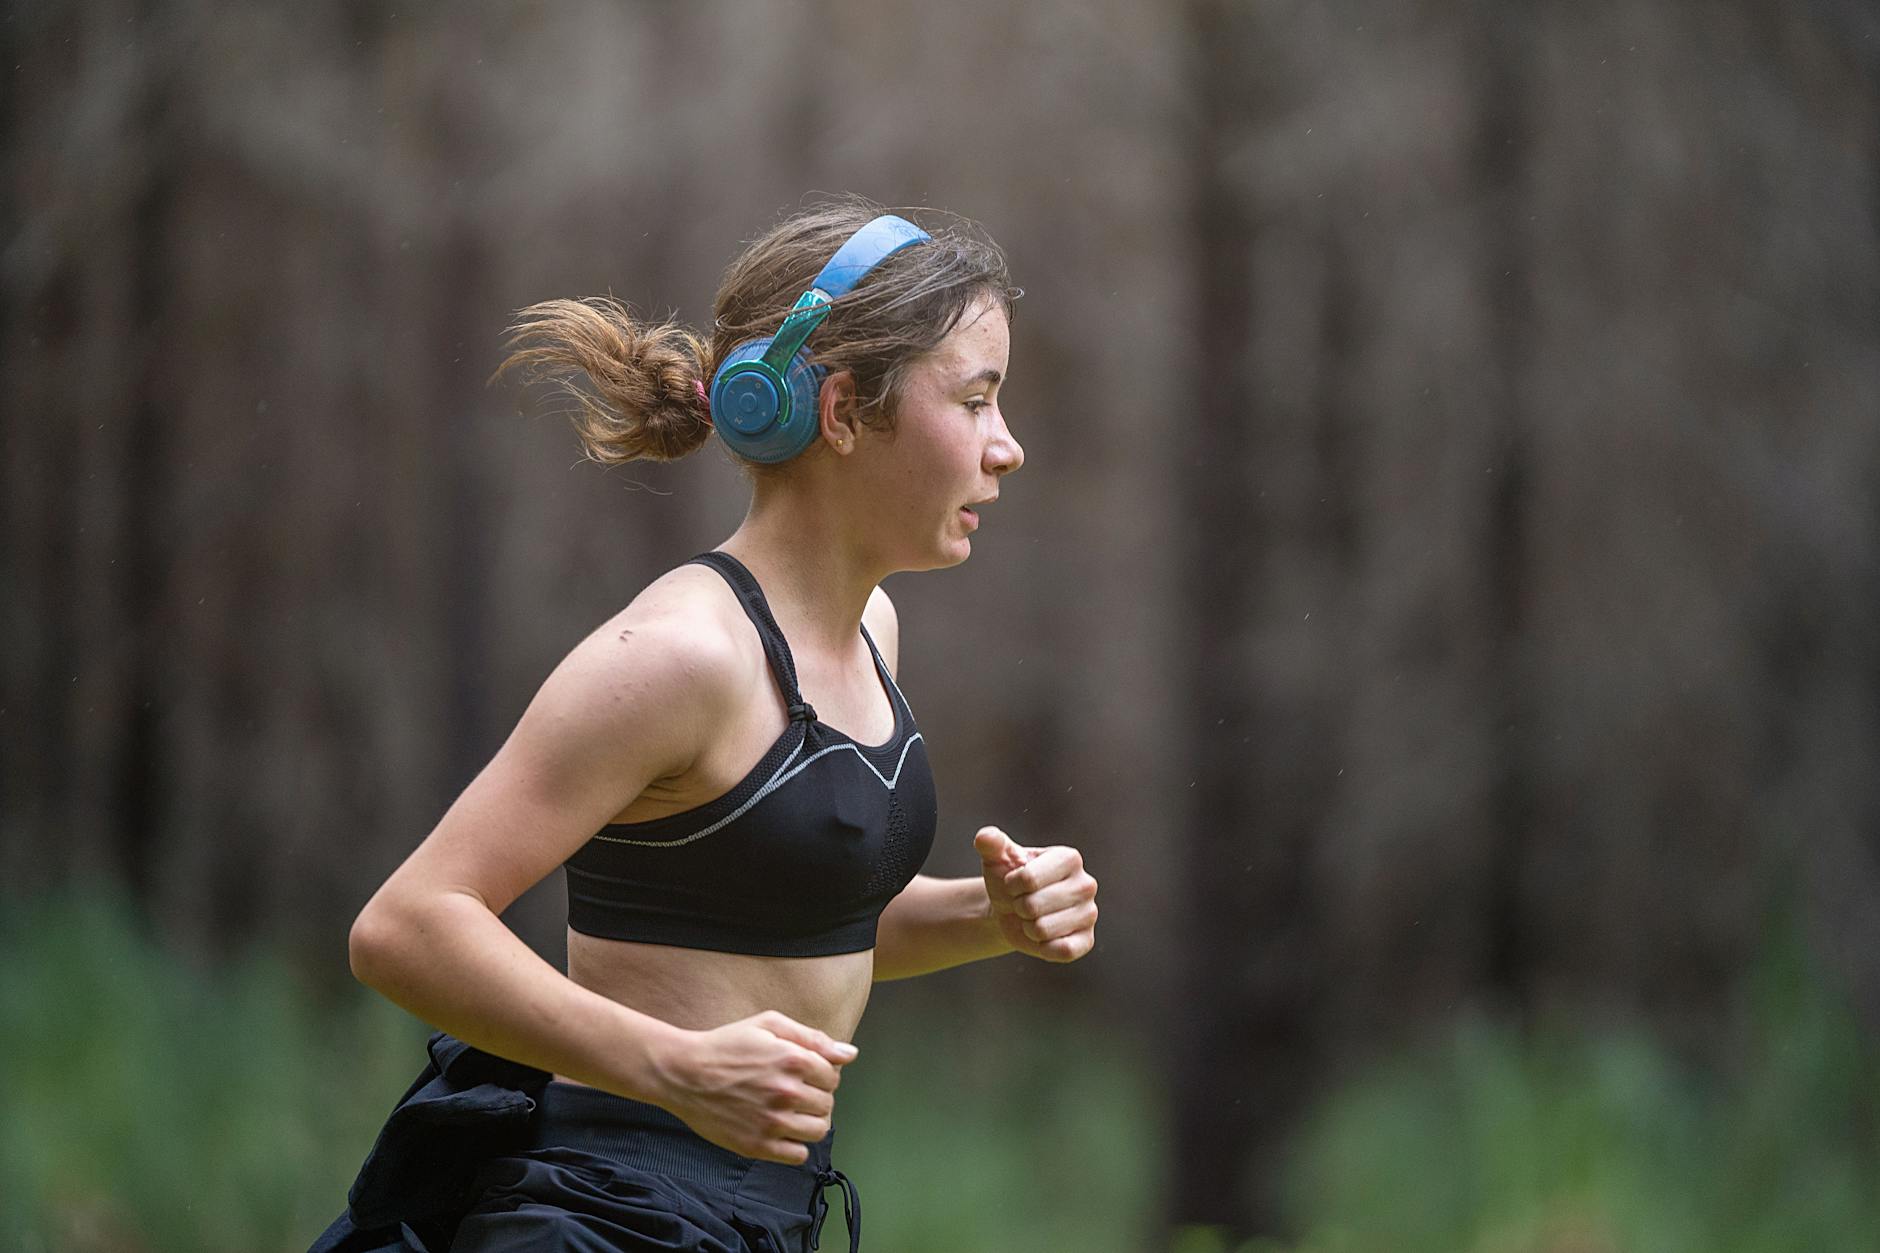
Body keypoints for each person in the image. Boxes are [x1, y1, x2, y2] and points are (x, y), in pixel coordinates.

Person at [309, 195, 1100, 1253]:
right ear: (842, 412)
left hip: (763, 1217)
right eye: (974, 399)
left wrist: (988, 914)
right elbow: (405, 925)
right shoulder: (681, 655)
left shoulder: (871, 627)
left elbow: (796, 923)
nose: (1007, 448)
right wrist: (669, 1065)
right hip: (608, 1214)